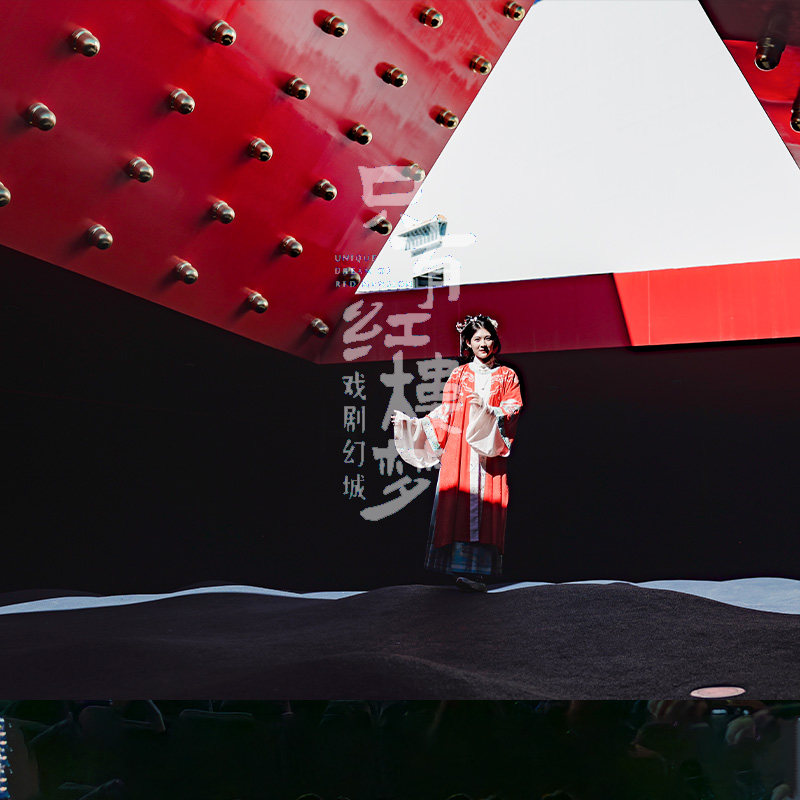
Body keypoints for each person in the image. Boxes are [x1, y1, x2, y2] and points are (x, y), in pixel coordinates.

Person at [391, 314, 523, 593]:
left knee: (487, 506)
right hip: (460, 451)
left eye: (488, 338)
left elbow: (513, 408)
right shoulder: (459, 375)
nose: (483, 344)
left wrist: (488, 410)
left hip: (488, 454)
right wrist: (414, 425)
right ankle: (460, 570)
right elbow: (446, 413)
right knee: (459, 504)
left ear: (495, 340)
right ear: (468, 343)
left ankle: (481, 575)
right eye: (477, 339)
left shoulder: (507, 376)